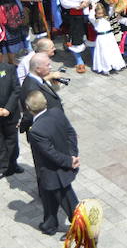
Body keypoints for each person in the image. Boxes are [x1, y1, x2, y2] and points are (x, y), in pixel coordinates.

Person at [24, 90, 79, 235]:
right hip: (54, 170)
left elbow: (50, 154)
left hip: (55, 173)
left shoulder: (35, 130)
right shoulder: (56, 112)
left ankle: (80, 230)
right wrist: (73, 155)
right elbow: (71, 133)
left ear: (29, 109)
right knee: (48, 198)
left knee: (70, 204)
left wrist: (69, 161)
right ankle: (50, 224)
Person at [0, 57, 21, 179]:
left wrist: (8, 108)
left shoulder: (10, 69)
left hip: (10, 114)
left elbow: (16, 90)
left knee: (12, 140)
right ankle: (2, 167)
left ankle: (13, 164)